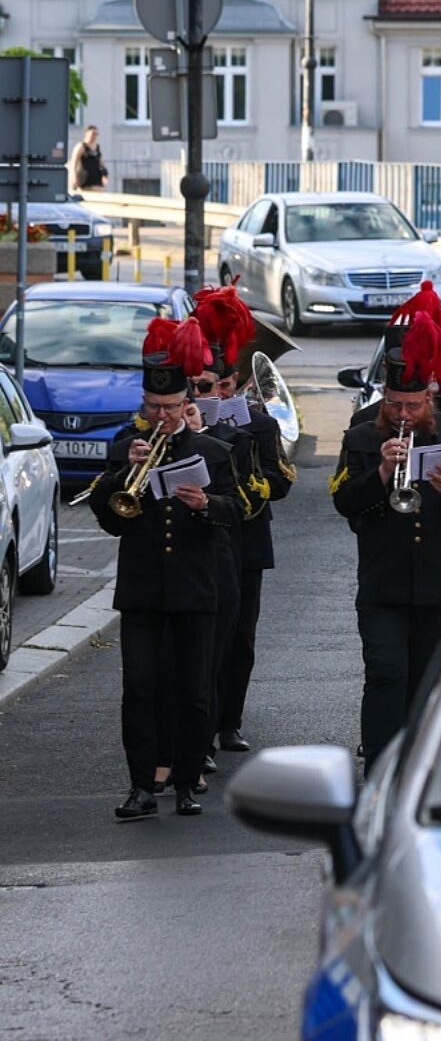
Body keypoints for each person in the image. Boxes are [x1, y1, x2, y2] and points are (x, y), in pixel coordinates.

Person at [89, 327, 244, 821]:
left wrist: (206, 504)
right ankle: (140, 787)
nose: (162, 416)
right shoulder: (124, 447)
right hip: (142, 588)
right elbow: (109, 518)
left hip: (195, 588)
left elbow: (237, 509)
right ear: (145, 404)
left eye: (172, 407)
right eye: (155, 407)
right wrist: (122, 475)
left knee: (193, 691)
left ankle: (185, 782)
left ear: (185, 404)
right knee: (139, 689)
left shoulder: (213, 451)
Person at [331, 339, 441, 770]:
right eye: (394, 404)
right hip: (383, 584)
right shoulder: (361, 438)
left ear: (429, 398)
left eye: (413, 405)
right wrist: (383, 471)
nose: (403, 414)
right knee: (385, 673)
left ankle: (421, 768)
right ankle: (380, 769)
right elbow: (345, 502)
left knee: (430, 681)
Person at [204, 347, 294, 753]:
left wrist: (252, 482)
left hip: (247, 540)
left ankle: (229, 723)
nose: (219, 395)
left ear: (237, 384)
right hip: (205, 539)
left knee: (240, 639)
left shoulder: (260, 425)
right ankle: (199, 731)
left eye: (225, 386)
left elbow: (281, 480)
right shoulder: (190, 426)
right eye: (212, 387)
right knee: (205, 640)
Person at [69, 126, 109, 193]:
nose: (94, 136)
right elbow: (73, 163)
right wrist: (74, 177)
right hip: (84, 180)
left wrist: (105, 174)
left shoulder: (97, 148)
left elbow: (101, 163)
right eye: (93, 134)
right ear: (87, 133)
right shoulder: (81, 146)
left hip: (96, 180)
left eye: (96, 134)